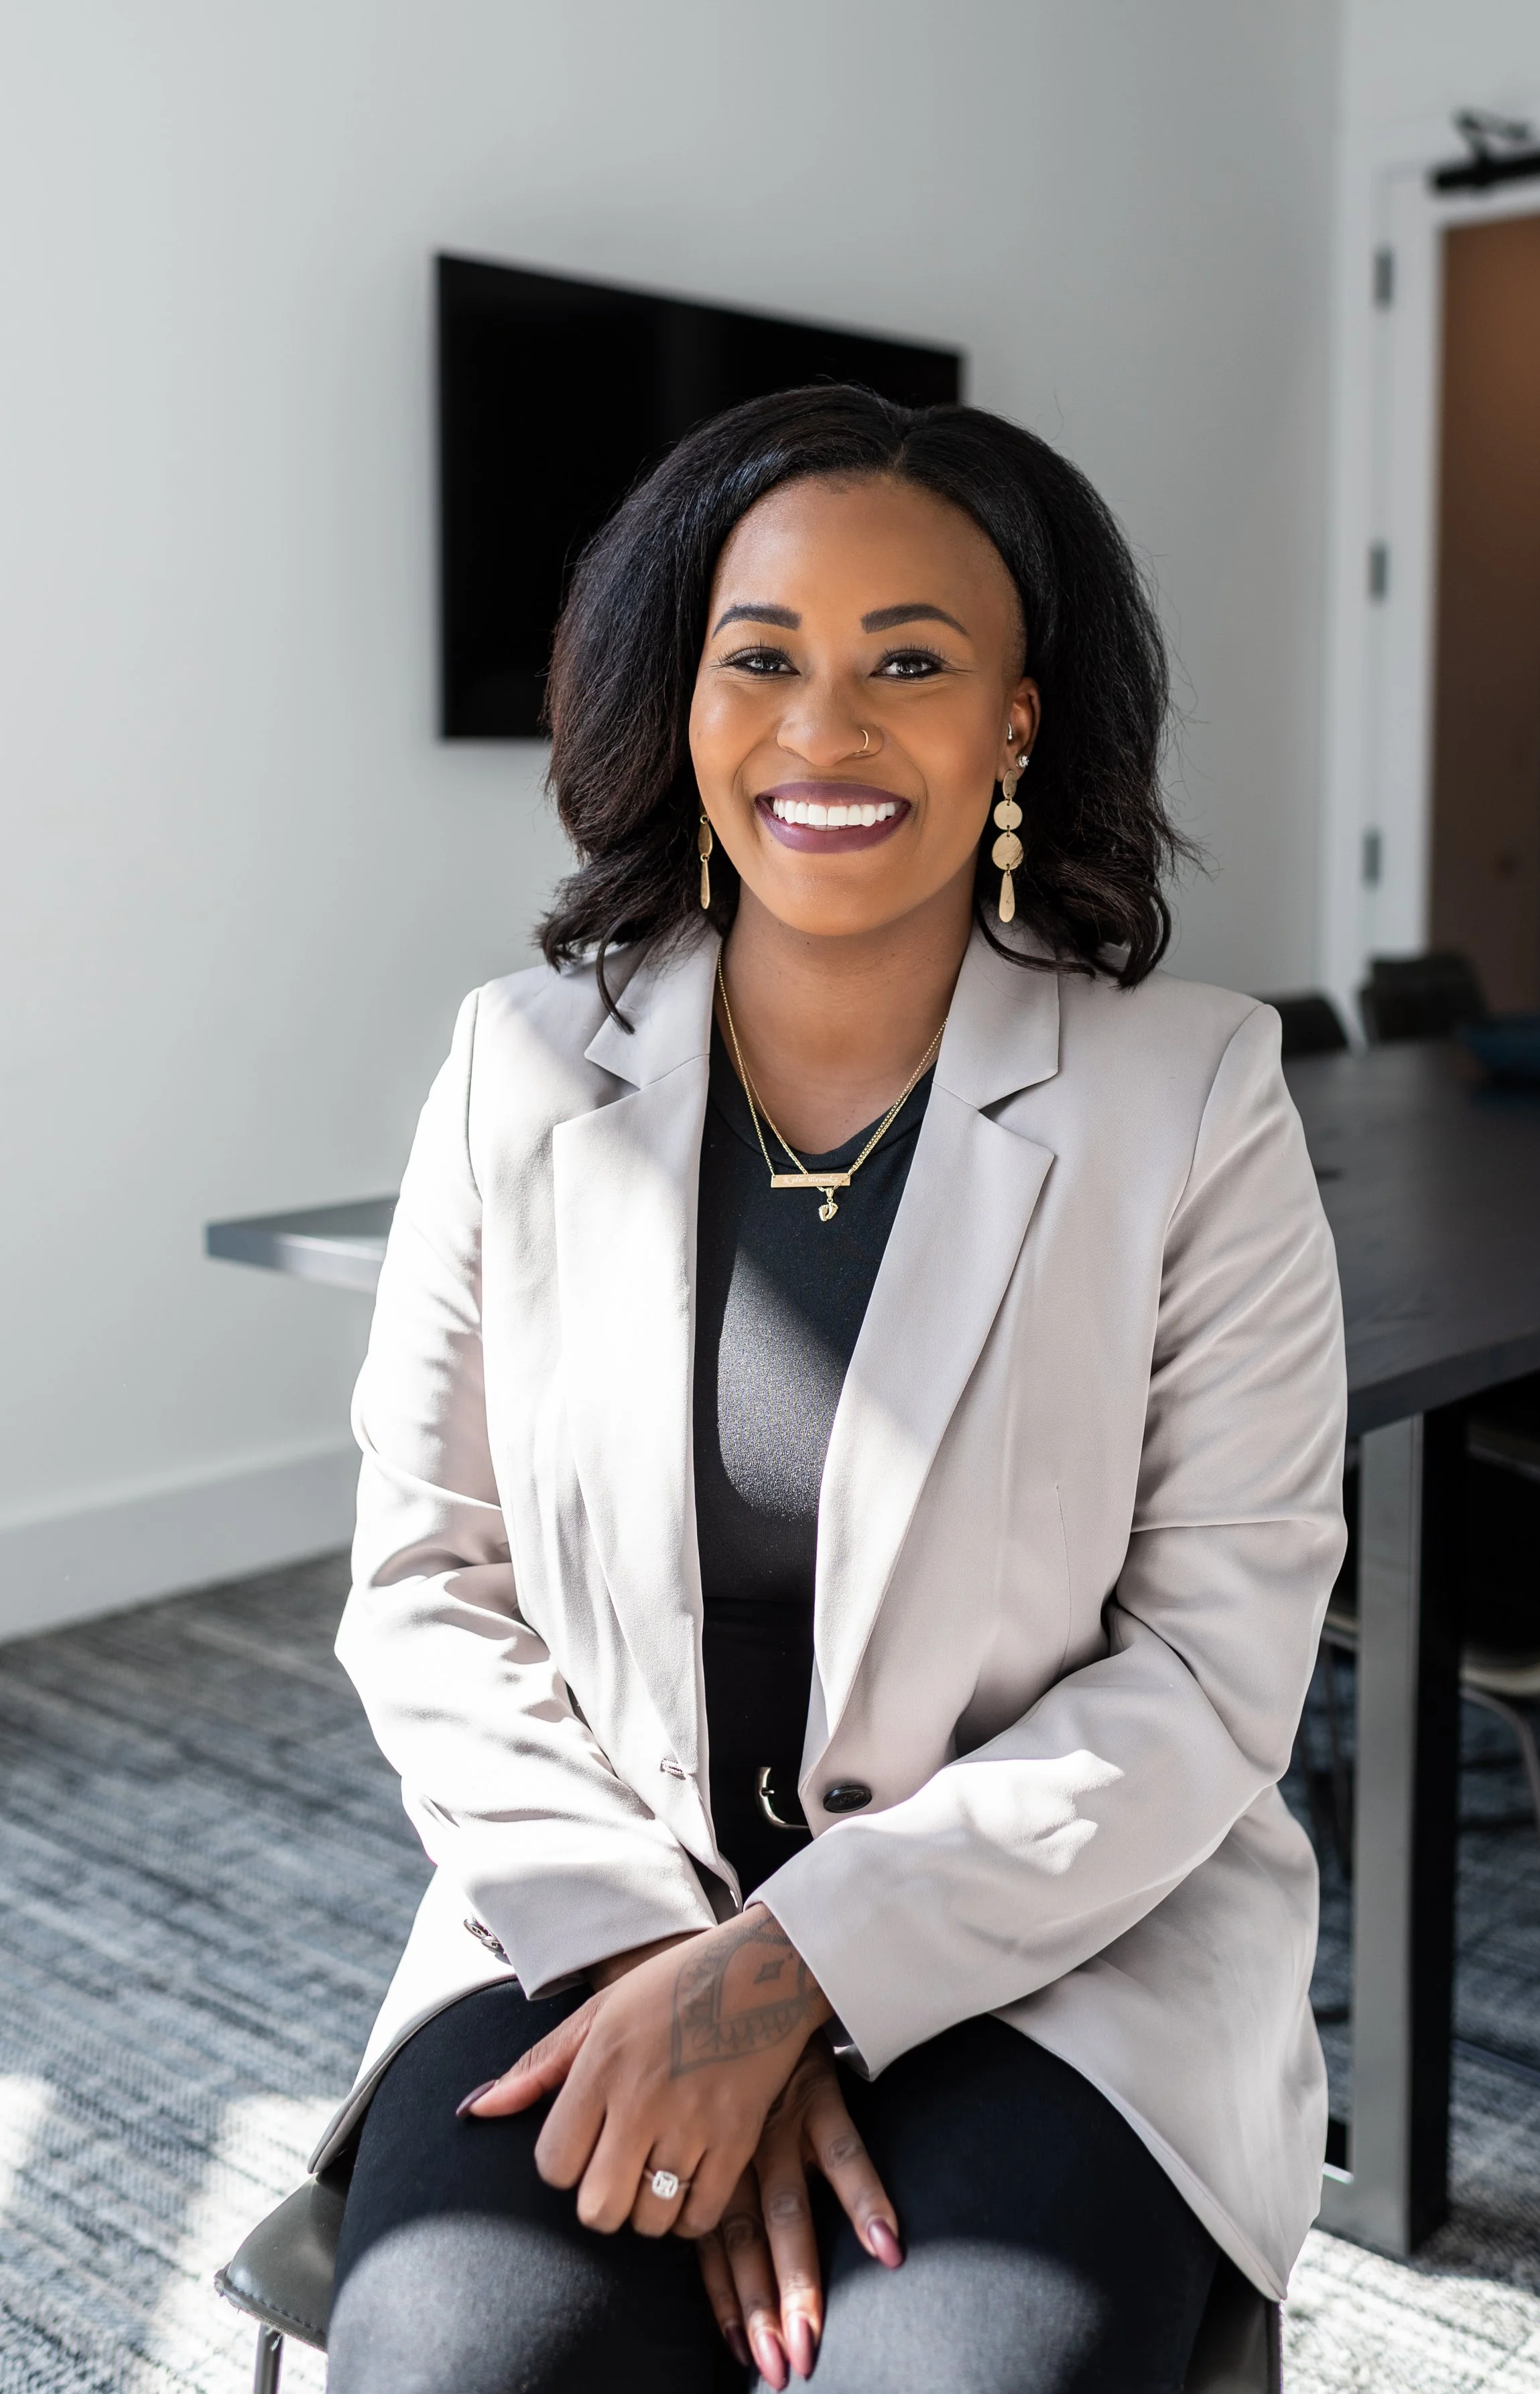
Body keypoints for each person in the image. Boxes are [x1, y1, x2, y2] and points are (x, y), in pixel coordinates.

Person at [320, 385, 1346, 2394]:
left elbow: (1216, 1664)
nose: (823, 728)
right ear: (680, 698)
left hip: (1060, 1946)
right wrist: (666, 1968)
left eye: (911, 662)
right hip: (597, 1897)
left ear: (1019, 721)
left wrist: (799, 1971)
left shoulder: (1194, 1091)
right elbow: (428, 1579)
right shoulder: (513, 1068)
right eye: (762, 656)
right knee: (457, 2362)